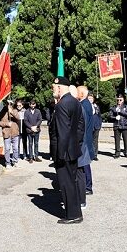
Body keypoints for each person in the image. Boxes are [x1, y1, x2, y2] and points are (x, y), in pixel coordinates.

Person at [50, 76, 84, 224]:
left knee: (66, 183)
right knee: (72, 181)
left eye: (53, 88)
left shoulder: (62, 105)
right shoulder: (75, 102)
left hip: (64, 152)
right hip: (73, 149)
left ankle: (72, 215)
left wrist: (61, 154)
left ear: (59, 88)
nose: (53, 91)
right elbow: (79, 126)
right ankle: (76, 212)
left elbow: (62, 132)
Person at [77, 86, 95, 199]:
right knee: (85, 163)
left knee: (85, 164)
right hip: (86, 138)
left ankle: (88, 187)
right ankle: (88, 186)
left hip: (85, 139)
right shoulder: (86, 104)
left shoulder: (84, 105)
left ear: (82, 94)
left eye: (78, 92)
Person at [0, 99, 21, 167]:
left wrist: (11, 112)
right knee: (7, 149)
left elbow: (18, 117)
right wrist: (7, 124)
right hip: (7, 133)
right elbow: (0, 123)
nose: (9, 105)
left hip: (15, 132)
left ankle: (15, 161)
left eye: (11, 104)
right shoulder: (2, 112)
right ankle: (7, 163)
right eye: (8, 104)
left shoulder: (14, 110)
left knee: (15, 149)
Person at [87, 92, 101, 159]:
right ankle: (89, 154)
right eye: (89, 98)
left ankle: (95, 155)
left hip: (96, 126)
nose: (90, 99)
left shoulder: (96, 106)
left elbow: (99, 116)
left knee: (95, 141)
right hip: (89, 126)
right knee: (89, 140)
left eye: (91, 98)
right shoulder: (85, 106)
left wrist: (99, 124)